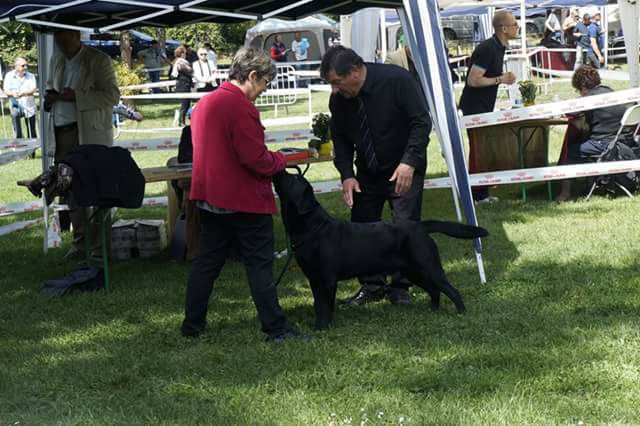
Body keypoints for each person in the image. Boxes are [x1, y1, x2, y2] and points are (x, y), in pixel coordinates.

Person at [181, 47, 300, 342]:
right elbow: (255, 159)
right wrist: (282, 160)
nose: (263, 90)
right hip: (243, 200)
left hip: (210, 198)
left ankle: (192, 324)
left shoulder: (205, 103)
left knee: (206, 262)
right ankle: (276, 328)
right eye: (264, 83)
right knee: (259, 265)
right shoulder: (241, 107)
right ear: (252, 76)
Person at [320, 46, 432, 306]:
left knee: (405, 226)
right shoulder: (339, 100)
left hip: (403, 167)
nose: (335, 90)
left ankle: (401, 286)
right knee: (361, 228)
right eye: (330, 84)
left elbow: (421, 122)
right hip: (367, 173)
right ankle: (371, 286)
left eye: (337, 82)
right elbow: (341, 138)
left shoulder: (397, 80)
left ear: (356, 71)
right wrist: (347, 175)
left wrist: (408, 163)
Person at [44, 29, 120, 259]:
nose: (61, 44)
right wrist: (50, 97)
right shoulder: (56, 59)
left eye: (65, 39)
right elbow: (50, 87)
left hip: (89, 135)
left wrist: (76, 96)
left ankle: (99, 248)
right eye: (58, 40)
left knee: (96, 189)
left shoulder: (98, 60)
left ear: (77, 36)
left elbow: (112, 96)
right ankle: (80, 244)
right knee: (70, 190)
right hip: (61, 133)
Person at [458, 10, 518, 204]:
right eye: (514, 24)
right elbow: (473, 80)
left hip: (484, 105)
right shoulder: (488, 48)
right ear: (503, 28)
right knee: (478, 148)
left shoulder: (498, 47)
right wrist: (501, 79)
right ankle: (476, 194)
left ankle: (482, 190)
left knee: (483, 148)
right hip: (474, 106)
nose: (517, 27)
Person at [556, 66, 635, 201]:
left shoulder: (590, 98)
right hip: (623, 141)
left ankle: (565, 193)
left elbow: (568, 112)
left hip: (605, 144)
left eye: (578, 90)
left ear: (582, 87)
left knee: (568, 152)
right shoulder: (609, 91)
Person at [3, 57, 37, 139]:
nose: (25, 67)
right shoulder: (9, 76)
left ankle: (32, 150)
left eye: (26, 65)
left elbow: (33, 89)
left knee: (32, 131)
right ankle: (19, 139)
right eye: (23, 65)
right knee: (14, 114)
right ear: (16, 66)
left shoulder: (31, 76)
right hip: (16, 106)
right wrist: (12, 93)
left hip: (29, 107)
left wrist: (23, 93)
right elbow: (6, 90)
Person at [171, 45, 193, 126]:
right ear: (182, 54)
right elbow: (189, 71)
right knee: (184, 104)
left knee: (186, 104)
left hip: (186, 85)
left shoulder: (180, 62)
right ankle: (181, 122)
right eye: (184, 53)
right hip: (183, 85)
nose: (186, 54)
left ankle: (181, 120)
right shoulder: (181, 62)